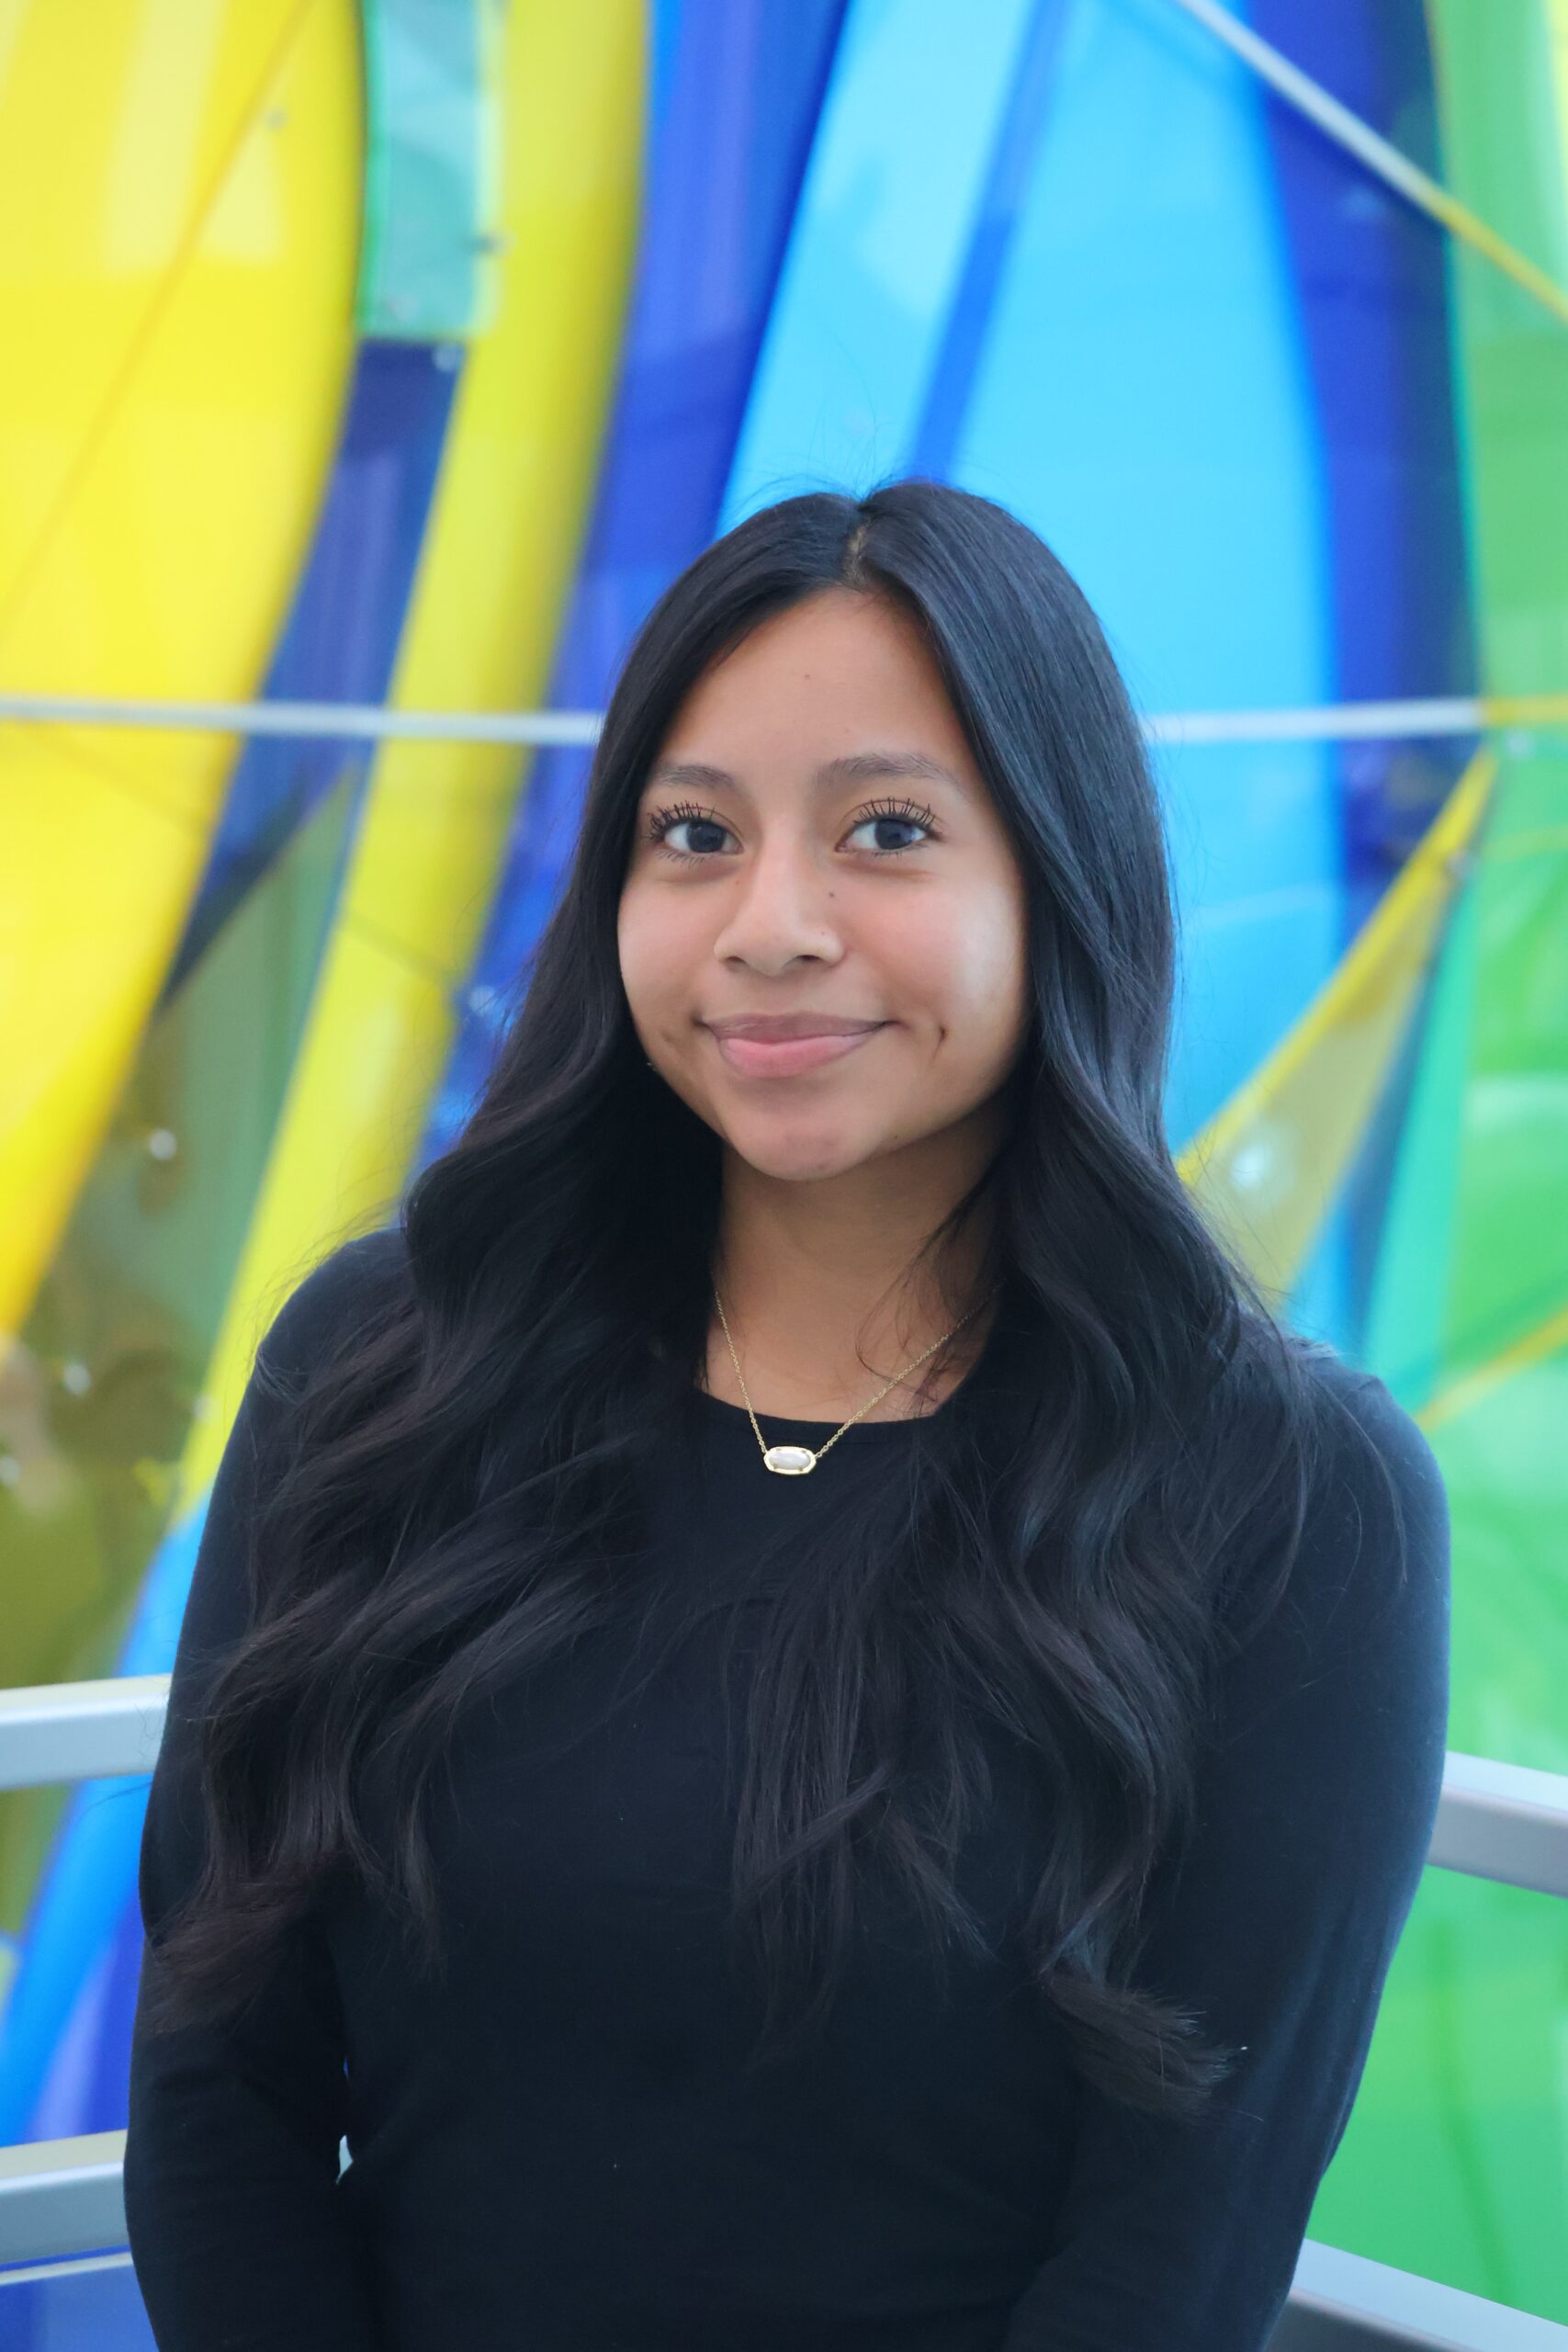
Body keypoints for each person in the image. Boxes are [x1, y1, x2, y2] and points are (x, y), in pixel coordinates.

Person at [122, 479, 1450, 2352]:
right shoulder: (385, 1368)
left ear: (1057, 874)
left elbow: (1178, 2249)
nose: (769, 926)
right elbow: (214, 2074)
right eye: (694, 835)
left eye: (885, 830)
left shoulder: (1292, 1500)